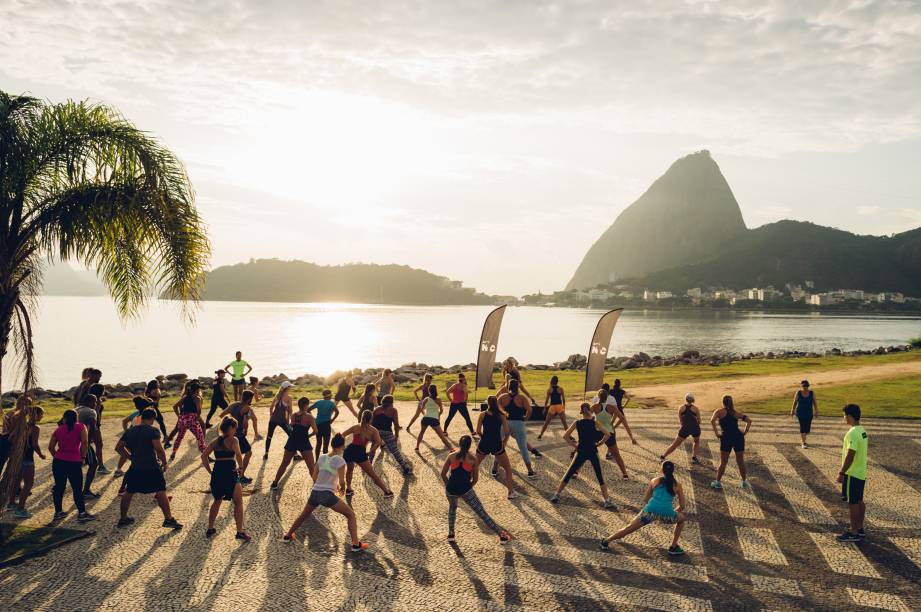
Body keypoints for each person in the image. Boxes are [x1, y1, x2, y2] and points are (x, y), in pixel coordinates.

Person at [282, 433, 369, 552]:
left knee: (303, 515)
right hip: (327, 495)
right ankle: (355, 544)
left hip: (315, 492)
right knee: (350, 515)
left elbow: (314, 476)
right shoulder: (340, 461)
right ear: (342, 447)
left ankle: (288, 535)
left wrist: (327, 483)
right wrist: (341, 489)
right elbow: (343, 481)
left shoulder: (322, 457)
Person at [600, 461, 687, 556]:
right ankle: (673, 546)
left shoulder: (654, 481)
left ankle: (606, 541)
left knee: (629, 528)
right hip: (667, 514)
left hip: (650, 511)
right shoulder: (678, 485)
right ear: (673, 471)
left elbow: (646, 499)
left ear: (662, 470)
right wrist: (672, 512)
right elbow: (682, 506)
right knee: (682, 519)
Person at [115, 408, 183, 530]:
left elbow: (118, 448)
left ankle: (123, 518)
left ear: (141, 417)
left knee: (129, 491)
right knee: (161, 491)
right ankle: (168, 519)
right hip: (151, 466)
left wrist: (130, 457)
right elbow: (159, 449)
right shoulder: (153, 431)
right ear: (152, 419)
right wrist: (164, 462)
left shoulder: (130, 431)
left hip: (135, 467)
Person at [441, 434, 511, 544]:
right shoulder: (473, 459)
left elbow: (443, 474)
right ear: (469, 446)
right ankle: (502, 535)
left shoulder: (451, 456)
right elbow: (475, 479)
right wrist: (468, 488)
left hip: (451, 490)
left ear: (459, 443)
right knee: (481, 513)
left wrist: (448, 486)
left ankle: (451, 534)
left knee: (452, 509)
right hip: (466, 489)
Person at [551, 403, 615, 507]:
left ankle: (556, 495)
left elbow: (565, 436)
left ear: (581, 412)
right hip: (592, 450)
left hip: (581, 450)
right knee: (599, 475)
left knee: (570, 472)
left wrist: (574, 445)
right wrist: (600, 443)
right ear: (590, 410)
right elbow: (607, 434)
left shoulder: (577, 422)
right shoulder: (594, 422)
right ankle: (607, 500)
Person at [201, 417, 251, 541]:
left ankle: (210, 527)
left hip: (217, 472)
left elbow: (204, 456)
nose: (236, 430)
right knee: (238, 502)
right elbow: (239, 455)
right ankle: (239, 532)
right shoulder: (234, 440)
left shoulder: (215, 441)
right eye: (235, 427)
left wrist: (210, 471)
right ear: (230, 428)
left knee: (217, 500)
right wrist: (241, 468)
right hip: (230, 472)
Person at [48, 409, 94, 522]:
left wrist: (57, 456)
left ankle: (58, 512)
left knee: (59, 487)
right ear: (76, 417)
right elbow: (84, 443)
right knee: (77, 488)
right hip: (74, 462)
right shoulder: (81, 427)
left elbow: (50, 447)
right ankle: (82, 513)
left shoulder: (58, 430)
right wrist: (83, 457)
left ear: (64, 418)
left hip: (59, 462)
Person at [341, 410, 393, 497]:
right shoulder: (373, 430)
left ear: (362, 417)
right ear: (371, 419)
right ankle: (386, 491)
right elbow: (378, 442)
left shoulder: (355, 427)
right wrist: (371, 451)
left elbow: (342, 435)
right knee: (372, 474)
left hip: (349, 451)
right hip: (360, 452)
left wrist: (343, 447)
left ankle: (349, 489)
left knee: (349, 470)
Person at [270, 397, 318, 490]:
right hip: (304, 441)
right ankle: (317, 485)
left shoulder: (294, 415)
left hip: (292, 440)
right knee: (311, 466)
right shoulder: (309, 417)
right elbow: (315, 431)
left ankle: (275, 483)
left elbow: (291, 426)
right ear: (306, 405)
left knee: (284, 463)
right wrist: (308, 436)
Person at [475, 396, 517, 499]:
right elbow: (507, 432)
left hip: (484, 443)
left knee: (474, 465)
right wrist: (504, 442)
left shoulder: (482, 415)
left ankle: (465, 487)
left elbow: (478, 431)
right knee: (507, 468)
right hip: (497, 443)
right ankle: (511, 492)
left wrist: (483, 437)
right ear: (496, 403)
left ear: (488, 403)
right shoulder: (501, 416)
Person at [837, 403, 868, 542]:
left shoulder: (852, 433)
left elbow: (851, 453)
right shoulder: (862, 430)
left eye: (844, 415)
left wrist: (842, 472)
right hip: (861, 472)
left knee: (853, 503)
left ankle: (853, 531)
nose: (844, 418)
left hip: (852, 473)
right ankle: (860, 528)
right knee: (859, 500)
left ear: (849, 416)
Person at [710, 395, 752, 490]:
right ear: (732, 402)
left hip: (726, 438)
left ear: (723, 402)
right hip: (738, 437)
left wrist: (717, 433)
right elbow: (749, 421)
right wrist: (745, 432)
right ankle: (744, 481)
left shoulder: (719, 411)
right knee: (740, 461)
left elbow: (712, 420)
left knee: (723, 462)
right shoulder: (736, 413)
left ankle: (718, 482)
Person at [12, 406, 45, 518]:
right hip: (27, 458)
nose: (42, 416)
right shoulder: (35, 428)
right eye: (41, 414)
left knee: (17, 481)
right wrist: (41, 454)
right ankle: (20, 509)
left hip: (18, 457)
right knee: (28, 484)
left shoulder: (23, 426)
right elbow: (34, 444)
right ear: (36, 415)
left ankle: (11, 503)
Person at [219, 390, 256, 484]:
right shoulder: (246, 407)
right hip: (238, 434)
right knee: (248, 452)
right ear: (249, 399)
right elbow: (245, 422)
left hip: (228, 433)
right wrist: (246, 430)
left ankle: (226, 476)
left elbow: (221, 415)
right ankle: (241, 476)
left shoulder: (233, 404)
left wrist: (225, 427)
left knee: (231, 455)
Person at [370, 395, 413, 475]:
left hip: (376, 431)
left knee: (373, 447)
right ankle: (405, 467)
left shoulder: (376, 409)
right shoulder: (393, 410)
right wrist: (396, 436)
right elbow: (396, 424)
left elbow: (371, 422)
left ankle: (369, 465)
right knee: (395, 450)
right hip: (387, 432)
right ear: (391, 403)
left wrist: (372, 434)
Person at [114, 395, 156, 477]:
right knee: (139, 455)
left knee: (126, 453)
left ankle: (119, 469)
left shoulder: (135, 414)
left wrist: (126, 432)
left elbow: (124, 421)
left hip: (130, 436)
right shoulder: (143, 418)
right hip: (137, 438)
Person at [660, 394, 702, 464]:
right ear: (693, 400)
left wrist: (684, 426)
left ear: (686, 399)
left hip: (684, 428)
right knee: (696, 441)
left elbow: (680, 420)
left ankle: (663, 456)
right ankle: (694, 457)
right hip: (695, 428)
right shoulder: (696, 408)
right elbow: (699, 420)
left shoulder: (681, 408)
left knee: (675, 444)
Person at [170, 380, 206, 461]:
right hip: (192, 418)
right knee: (200, 437)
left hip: (183, 419)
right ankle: (205, 455)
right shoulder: (197, 398)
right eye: (199, 389)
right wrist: (197, 417)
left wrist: (179, 416)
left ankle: (173, 453)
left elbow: (175, 406)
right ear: (197, 390)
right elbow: (199, 410)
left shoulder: (185, 397)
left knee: (180, 437)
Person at [410, 384, 453, 451]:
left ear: (429, 391)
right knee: (442, 436)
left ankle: (417, 446)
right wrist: (438, 415)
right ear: (436, 390)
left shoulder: (426, 399)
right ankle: (451, 449)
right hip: (434, 419)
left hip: (425, 418)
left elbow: (421, 408)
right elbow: (441, 410)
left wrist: (424, 414)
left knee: (421, 432)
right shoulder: (438, 399)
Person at [75, 393, 101, 499]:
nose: (96, 404)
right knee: (94, 464)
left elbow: (60, 423)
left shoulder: (76, 409)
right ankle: (86, 491)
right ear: (90, 402)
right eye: (95, 402)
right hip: (82, 441)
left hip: (71, 441)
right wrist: (88, 444)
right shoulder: (91, 412)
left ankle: (58, 486)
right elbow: (92, 428)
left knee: (73, 465)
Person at [264, 380, 294, 459]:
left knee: (269, 436)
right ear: (287, 388)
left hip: (273, 420)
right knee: (291, 435)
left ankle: (266, 453)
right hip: (282, 420)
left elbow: (271, 408)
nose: (291, 388)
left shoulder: (277, 395)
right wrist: (292, 421)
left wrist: (272, 416)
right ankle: (295, 455)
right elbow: (290, 411)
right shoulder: (289, 397)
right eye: (290, 387)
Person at [87, 381, 109, 474]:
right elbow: (95, 413)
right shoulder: (98, 400)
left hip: (86, 423)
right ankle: (101, 466)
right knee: (99, 445)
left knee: (85, 443)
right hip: (94, 424)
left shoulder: (88, 397)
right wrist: (96, 425)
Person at [537, 375, 567, 440]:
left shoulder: (549, 389)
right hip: (559, 406)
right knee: (564, 422)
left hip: (552, 407)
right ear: (557, 381)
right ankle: (569, 436)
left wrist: (544, 408)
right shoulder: (561, 389)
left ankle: (540, 435)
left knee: (546, 422)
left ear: (551, 381)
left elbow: (547, 400)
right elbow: (563, 400)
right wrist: (564, 408)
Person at [791, 380, 819, 449]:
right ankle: (803, 442)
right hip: (800, 413)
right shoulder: (798, 393)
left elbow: (815, 402)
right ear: (802, 386)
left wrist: (816, 410)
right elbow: (795, 402)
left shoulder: (812, 393)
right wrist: (792, 410)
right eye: (804, 386)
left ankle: (803, 436)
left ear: (808, 386)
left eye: (806, 386)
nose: (805, 388)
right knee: (802, 427)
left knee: (807, 429)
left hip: (809, 413)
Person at [312, 389, 339, 459]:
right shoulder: (332, 403)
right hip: (326, 425)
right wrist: (332, 420)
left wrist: (314, 419)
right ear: (330, 395)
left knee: (318, 443)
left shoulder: (318, 402)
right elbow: (337, 412)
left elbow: (308, 410)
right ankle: (324, 461)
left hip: (318, 425)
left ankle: (317, 460)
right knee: (325, 445)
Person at [245, 376, 263, 440]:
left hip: (244, 405)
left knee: (246, 420)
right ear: (255, 382)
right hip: (248, 407)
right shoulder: (255, 390)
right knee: (254, 419)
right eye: (258, 381)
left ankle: (254, 434)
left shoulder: (248, 388)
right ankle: (256, 435)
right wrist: (261, 397)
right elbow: (257, 400)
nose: (258, 382)